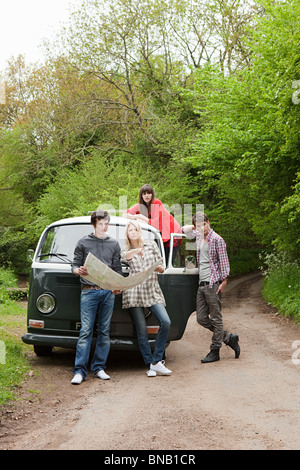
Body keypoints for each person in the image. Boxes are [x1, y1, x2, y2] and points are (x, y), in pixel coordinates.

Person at [71, 210, 122, 384]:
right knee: (85, 331)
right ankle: (79, 371)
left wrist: (117, 286)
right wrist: (78, 270)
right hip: (88, 291)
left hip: (108, 293)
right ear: (94, 224)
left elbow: (117, 269)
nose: (104, 226)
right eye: (101, 223)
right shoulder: (83, 242)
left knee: (104, 331)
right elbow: (75, 265)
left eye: (106, 223)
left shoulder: (114, 244)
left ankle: (99, 368)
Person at [182, 212, 240, 363]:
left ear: (209, 222)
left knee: (216, 318)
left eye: (204, 224)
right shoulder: (200, 236)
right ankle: (228, 338)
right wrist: (194, 226)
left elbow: (224, 262)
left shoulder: (217, 239)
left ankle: (215, 351)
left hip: (213, 282)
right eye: (199, 226)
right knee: (201, 318)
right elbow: (183, 229)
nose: (202, 228)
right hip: (201, 284)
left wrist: (224, 280)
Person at [121, 220, 172, 377]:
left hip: (152, 289)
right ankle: (150, 364)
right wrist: (136, 250)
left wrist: (159, 268)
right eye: (130, 230)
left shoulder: (151, 245)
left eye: (135, 229)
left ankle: (157, 361)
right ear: (127, 234)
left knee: (166, 322)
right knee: (141, 329)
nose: (133, 232)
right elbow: (126, 257)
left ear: (139, 231)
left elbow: (162, 268)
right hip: (134, 291)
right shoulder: (126, 250)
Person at [122, 184, 181, 266]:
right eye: (144, 193)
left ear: (152, 194)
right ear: (141, 195)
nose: (146, 195)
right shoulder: (140, 205)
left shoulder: (156, 203)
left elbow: (156, 223)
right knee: (158, 259)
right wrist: (134, 217)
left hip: (171, 232)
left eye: (149, 193)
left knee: (167, 262)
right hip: (160, 234)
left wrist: (139, 216)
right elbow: (125, 214)